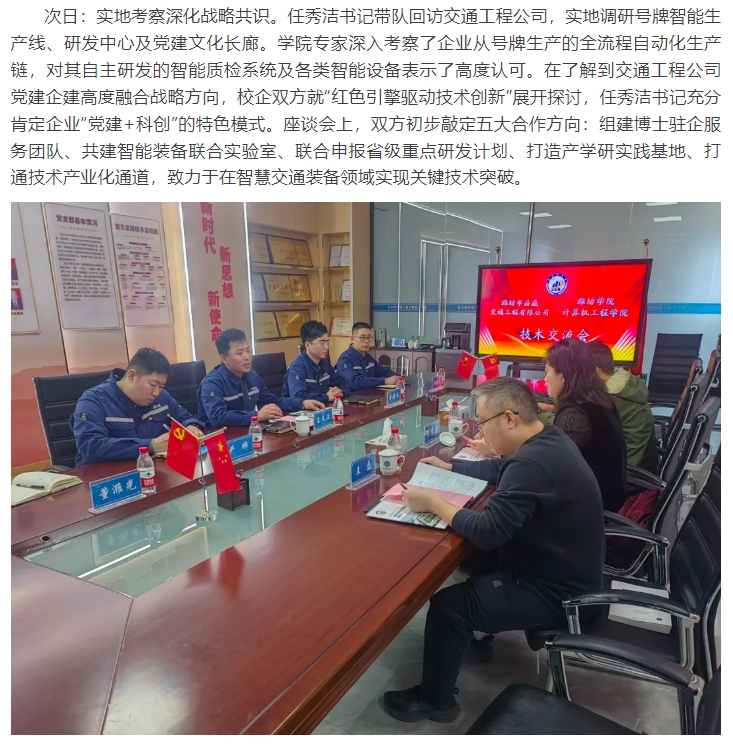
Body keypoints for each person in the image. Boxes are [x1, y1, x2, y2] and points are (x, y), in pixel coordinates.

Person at [382, 378, 605, 723]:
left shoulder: (532, 464)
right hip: (560, 567)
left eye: (484, 421)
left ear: (509, 419)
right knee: (478, 561)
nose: (482, 431)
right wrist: (452, 467)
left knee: (448, 606)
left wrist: (434, 502)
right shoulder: (547, 440)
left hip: (558, 593)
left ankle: (435, 700)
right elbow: (503, 468)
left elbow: (488, 532)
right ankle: (474, 636)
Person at [71, 348, 204, 466]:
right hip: (108, 479)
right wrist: (151, 445)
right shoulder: (93, 401)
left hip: (155, 471)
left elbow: (184, 417)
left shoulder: (162, 397)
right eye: (153, 385)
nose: (156, 392)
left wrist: (191, 426)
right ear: (131, 376)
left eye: (161, 386)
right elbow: (90, 447)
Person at [540, 338, 627, 512]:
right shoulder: (598, 400)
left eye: (547, 372)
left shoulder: (575, 415)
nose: (544, 379)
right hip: (603, 498)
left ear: (563, 376)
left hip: (589, 511)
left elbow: (545, 468)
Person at [197, 328, 324, 428]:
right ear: (224, 358)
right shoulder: (212, 383)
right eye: (240, 353)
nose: (247, 357)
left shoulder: (252, 376)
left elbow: (273, 400)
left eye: (248, 350)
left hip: (246, 433)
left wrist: (302, 403)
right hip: (216, 442)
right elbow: (218, 417)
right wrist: (256, 415)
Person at [586, 341, 658, 472]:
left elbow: (581, 425)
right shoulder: (627, 385)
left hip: (627, 473)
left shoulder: (610, 397)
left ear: (595, 370)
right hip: (642, 464)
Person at [282, 320, 352, 403]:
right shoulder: (297, 368)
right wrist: (326, 397)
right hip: (299, 410)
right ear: (307, 345)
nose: (326, 347)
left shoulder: (324, 363)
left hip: (322, 407)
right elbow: (298, 396)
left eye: (327, 342)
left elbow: (344, 383)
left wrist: (340, 392)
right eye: (322, 343)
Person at [336, 322, 400, 390]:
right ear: (352, 338)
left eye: (369, 337)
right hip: (353, 395)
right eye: (362, 337)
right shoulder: (345, 359)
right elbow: (355, 382)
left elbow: (383, 372)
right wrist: (385, 381)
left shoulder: (368, 357)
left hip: (370, 394)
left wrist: (399, 378)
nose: (366, 341)